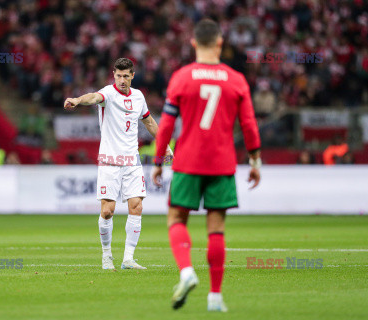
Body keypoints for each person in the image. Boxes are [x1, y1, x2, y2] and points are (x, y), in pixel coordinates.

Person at [151, 19, 261, 312]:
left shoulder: (181, 78)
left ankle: (186, 271)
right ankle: (215, 297)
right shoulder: (237, 79)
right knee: (217, 228)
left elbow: (166, 125)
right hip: (222, 163)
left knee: (176, 218)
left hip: (188, 161)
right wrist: (255, 160)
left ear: (194, 43)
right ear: (221, 43)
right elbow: (249, 124)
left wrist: (159, 160)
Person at [64, 58, 172, 270]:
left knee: (136, 206)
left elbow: (149, 122)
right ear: (113, 74)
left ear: (132, 75)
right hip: (109, 161)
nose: (122, 80)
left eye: (126, 76)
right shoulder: (108, 94)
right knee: (108, 211)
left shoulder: (139, 96)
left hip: (132, 161)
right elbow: (93, 97)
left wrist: (164, 145)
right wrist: (77, 100)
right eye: (118, 76)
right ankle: (107, 256)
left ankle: (128, 259)